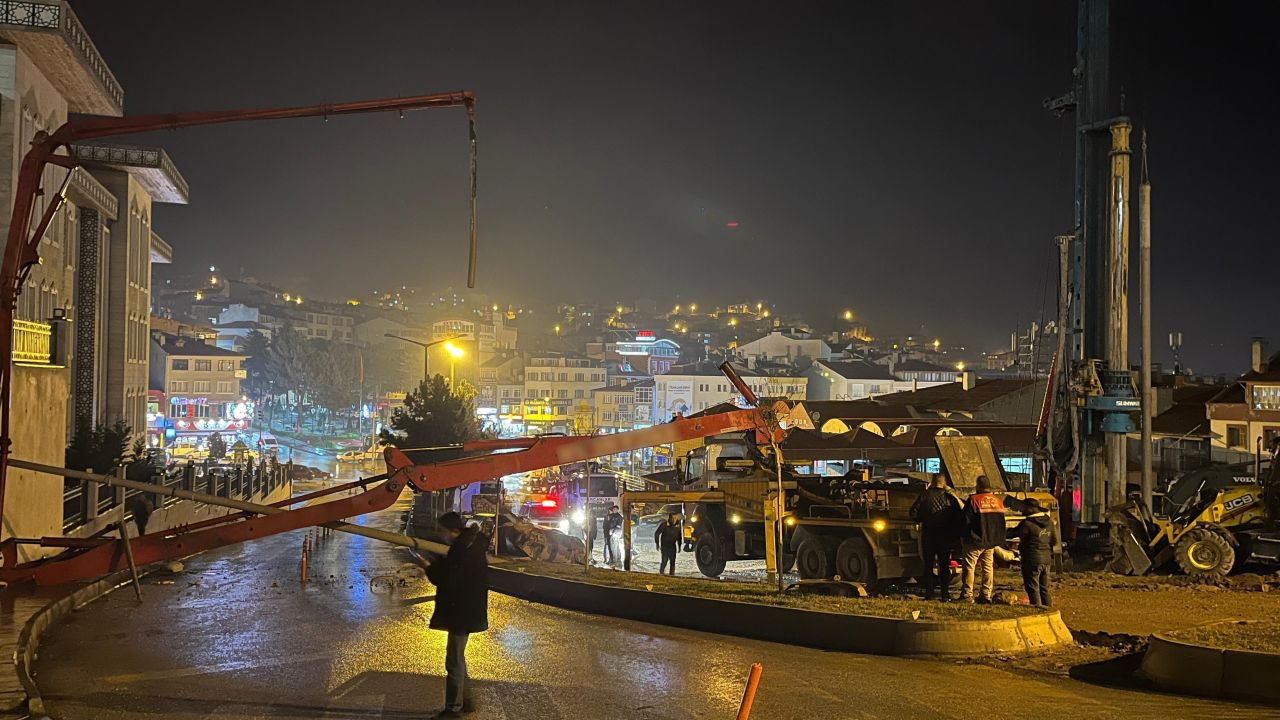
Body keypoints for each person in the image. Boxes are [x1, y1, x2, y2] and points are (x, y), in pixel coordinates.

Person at [424, 511, 489, 718]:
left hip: (462, 611)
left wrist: (428, 566)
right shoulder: (470, 545)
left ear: (453, 531)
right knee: (458, 657)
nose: (439, 534)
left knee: (453, 661)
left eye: (441, 530)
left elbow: (449, 579)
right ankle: (466, 701)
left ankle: (453, 709)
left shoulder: (462, 550)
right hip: (467, 610)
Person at [909, 473, 962, 601]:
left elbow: (913, 512)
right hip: (944, 536)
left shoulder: (925, 495)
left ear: (932, 483)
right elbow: (958, 515)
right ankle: (945, 594)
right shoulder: (949, 497)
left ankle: (930, 594)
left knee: (928, 565)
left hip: (928, 534)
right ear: (944, 483)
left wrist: (921, 519)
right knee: (944, 566)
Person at [959, 475, 1006, 604]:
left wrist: (963, 537)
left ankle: (967, 595)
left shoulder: (973, 500)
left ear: (978, 485)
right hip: (990, 541)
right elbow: (1001, 523)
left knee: (969, 567)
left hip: (975, 540)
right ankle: (986, 595)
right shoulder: (997, 501)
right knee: (988, 567)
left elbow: (965, 521)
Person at [1015, 498, 1059, 607]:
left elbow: (1012, 533)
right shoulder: (1049, 522)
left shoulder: (1027, 523)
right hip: (1046, 558)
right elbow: (1055, 541)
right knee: (1044, 588)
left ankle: (1037, 610)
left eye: (1023, 507)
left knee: (1032, 587)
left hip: (1032, 558)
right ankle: (1048, 609)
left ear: (1030, 508)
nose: (1021, 510)